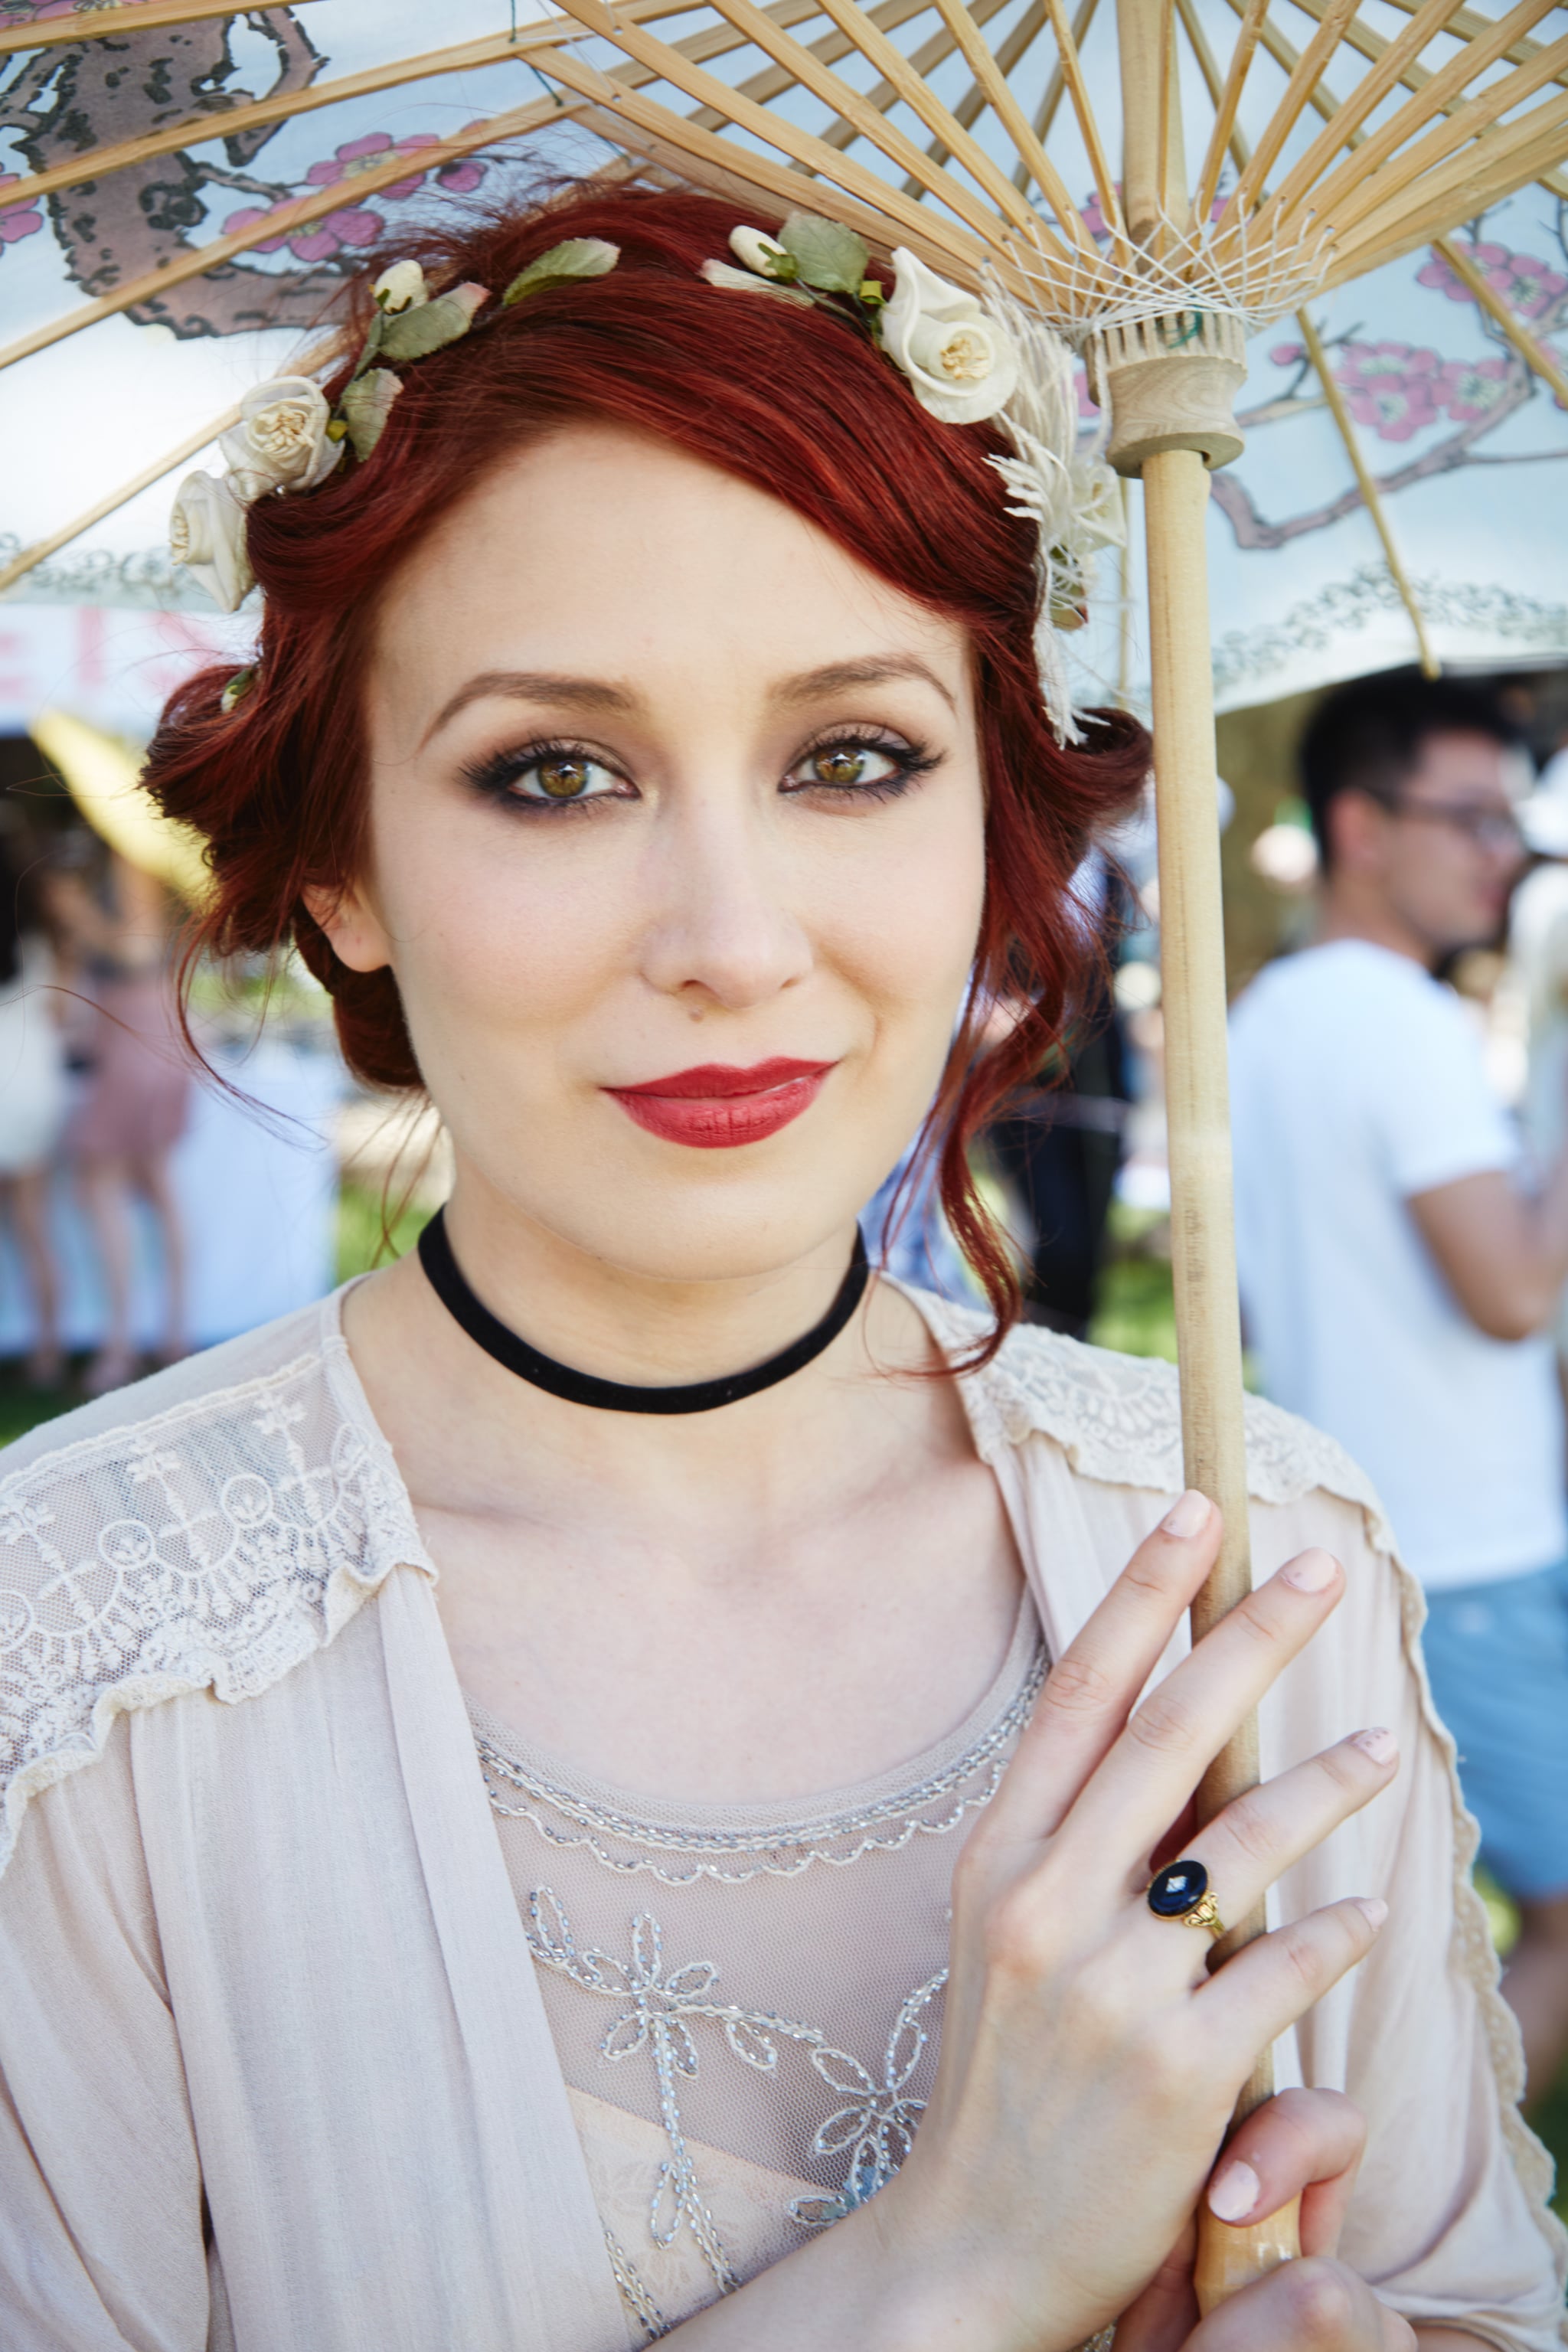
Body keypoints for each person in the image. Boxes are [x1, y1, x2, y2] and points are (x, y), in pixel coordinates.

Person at [0, 190, 1557, 2352]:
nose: (732, 940)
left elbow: (1475, 2293)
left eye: (855, 756)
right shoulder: (68, 1673)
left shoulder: (1247, 1571)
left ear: (994, 822)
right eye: (554, 773)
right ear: (341, 861)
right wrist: (963, 2265)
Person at [1229, 671, 1568, 2105]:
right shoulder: (1402, 1021)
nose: (1504, 852)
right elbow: (1513, 1291)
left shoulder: (1267, 1014)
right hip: (1470, 1542)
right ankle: (1452, 2230)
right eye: (1472, 817)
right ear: (1360, 823)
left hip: (1362, 1527)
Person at [44, 846, 192, 1393]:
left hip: (138, 1024)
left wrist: (77, 913)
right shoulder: (123, 856)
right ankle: (170, 1335)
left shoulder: (132, 858)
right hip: (139, 1022)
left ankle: (123, 1346)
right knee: (151, 1181)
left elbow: (136, 947)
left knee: (105, 1181)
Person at [0, 818, 67, 1383]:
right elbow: (59, 1014)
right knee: (33, 1224)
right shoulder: (41, 934)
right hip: (33, 1085)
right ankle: (47, 1354)